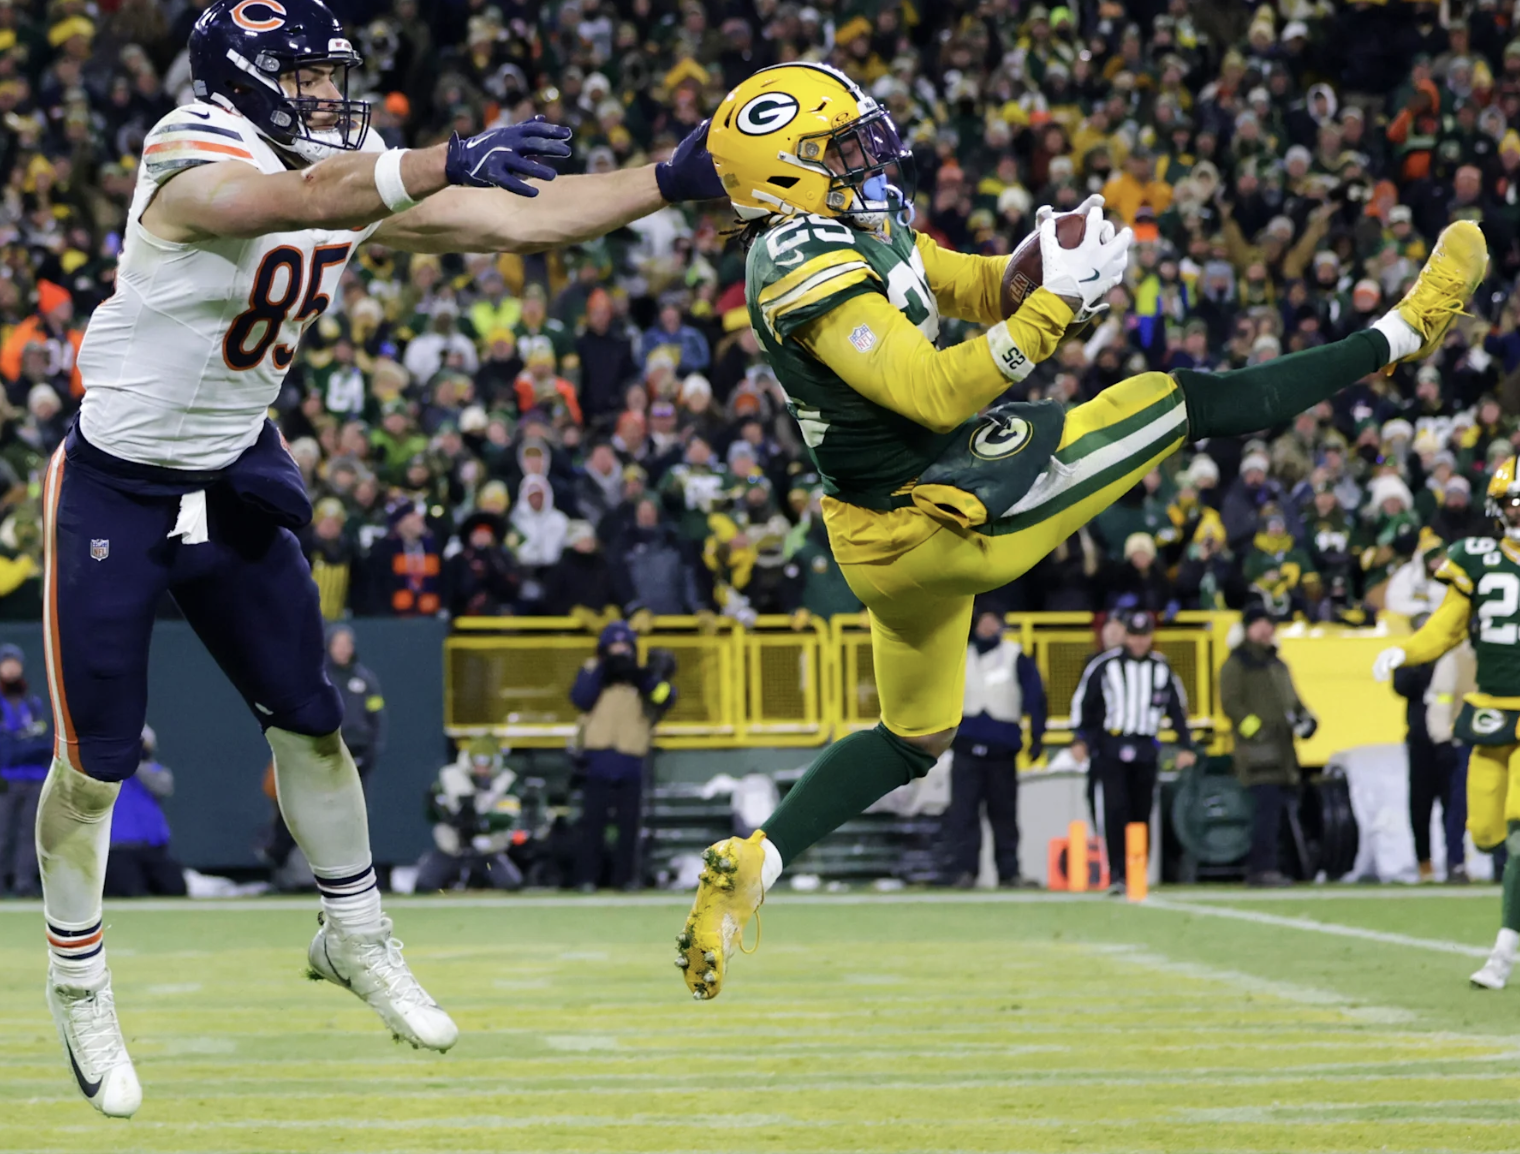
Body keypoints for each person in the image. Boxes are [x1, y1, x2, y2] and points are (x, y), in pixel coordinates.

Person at [33, 0, 725, 1116]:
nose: (328, 96)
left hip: (231, 467)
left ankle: (353, 932)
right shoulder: (189, 148)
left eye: (330, 77)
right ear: (243, 80)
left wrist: (668, 179)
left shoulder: (345, 172)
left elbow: (519, 222)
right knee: (93, 767)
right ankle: (77, 980)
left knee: (314, 719)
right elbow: (298, 199)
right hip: (119, 482)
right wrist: (441, 156)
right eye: (305, 78)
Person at [674, 60, 1485, 999]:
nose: (869, 158)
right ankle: (1404, 332)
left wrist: (1038, 264)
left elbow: (973, 284)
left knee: (912, 734)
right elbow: (931, 391)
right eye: (841, 149)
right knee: (1179, 400)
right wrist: (1055, 307)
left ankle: (756, 864)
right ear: (784, 173)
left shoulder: (852, 226)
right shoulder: (795, 260)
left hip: (876, 535)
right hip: (937, 520)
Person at [1373, 459, 1520, 988]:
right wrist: (1406, 652)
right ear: (1497, 509)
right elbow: (1445, 628)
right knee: (1485, 833)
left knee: (1519, 834)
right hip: (1491, 709)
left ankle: (1502, 954)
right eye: (1514, 503)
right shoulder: (1475, 557)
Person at [1070, 611, 1195, 894]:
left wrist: (1185, 745)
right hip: (1112, 745)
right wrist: (1080, 738)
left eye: (1144, 636)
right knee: (1115, 810)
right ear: (1126, 635)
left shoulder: (1161, 668)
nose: (1139, 642)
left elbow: (1177, 709)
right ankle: (1117, 873)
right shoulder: (1105, 665)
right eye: (1134, 635)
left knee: (1142, 811)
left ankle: (1136, 872)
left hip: (1146, 746)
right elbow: (1084, 703)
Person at [940, 607, 1046, 889]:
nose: (988, 627)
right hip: (966, 749)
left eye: (993, 621)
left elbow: (1035, 696)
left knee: (1004, 815)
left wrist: (1038, 736)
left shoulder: (1015, 655)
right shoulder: (959, 654)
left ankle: (1009, 871)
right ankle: (965, 871)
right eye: (983, 621)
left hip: (1001, 750)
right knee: (963, 814)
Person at [570, 621, 676, 891]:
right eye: (614, 646)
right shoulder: (592, 670)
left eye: (624, 646)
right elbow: (580, 698)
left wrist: (642, 678)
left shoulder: (642, 676)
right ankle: (587, 878)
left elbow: (665, 698)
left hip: (631, 757)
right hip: (598, 756)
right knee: (592, 823)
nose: (619, 651)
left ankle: (625, 879)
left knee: (629, 825)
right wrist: (603, 672)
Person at [1221, 606, 1317, 888]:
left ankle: (1280, 868)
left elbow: (1293, 701)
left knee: (1279, 814)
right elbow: (1231, 704)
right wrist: (1258, 732)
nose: (1265, 630)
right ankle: (1262, 869)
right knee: (1266, 813)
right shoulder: (1236, 664)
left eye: (1269, 624)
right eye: (1259, 624)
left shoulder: (1277, 664)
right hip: (1259, 755)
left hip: (1284, 753)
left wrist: (1307, 720)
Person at [414, 738, 524, 892]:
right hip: (452, 847)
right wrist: (446, 814)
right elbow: (432, 814)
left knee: (511, 885)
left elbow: (509, 815)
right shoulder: (449, 776)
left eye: (486, 766)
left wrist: (483, 822)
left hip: (487, 849)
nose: (481, 770)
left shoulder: (506, 780)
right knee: (424, 885)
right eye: (477, 765)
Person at [103, 728, 186, 899]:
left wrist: (136, 761)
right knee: (128, 892)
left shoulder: (152, 769)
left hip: (153, 845)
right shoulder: (104, 770)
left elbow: (164, 787)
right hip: (119, 847)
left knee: (175, 889)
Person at [0, 644, 51, 898]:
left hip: (34, 779)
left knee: (30, 835)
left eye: (15, 663)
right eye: (6, 663)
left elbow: (47, 743)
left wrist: (19, 745)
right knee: (2, 834)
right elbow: (6, 751)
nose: (11, 668)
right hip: (5, 780)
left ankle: (23, 883)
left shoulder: (32, 703)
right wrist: (26, 744)